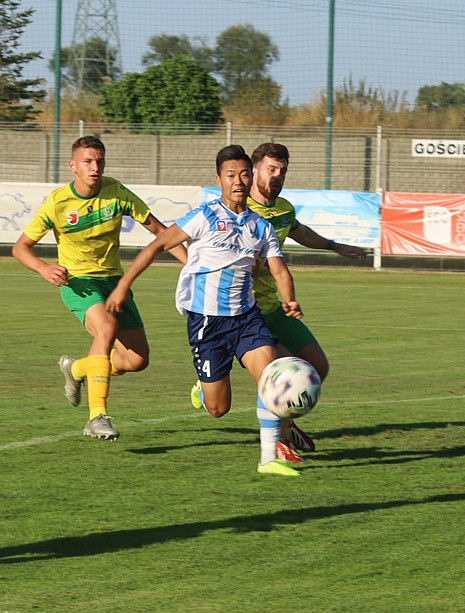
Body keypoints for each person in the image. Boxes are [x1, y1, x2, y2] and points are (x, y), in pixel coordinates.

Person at [105, 144, 302, 476]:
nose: (238, 181)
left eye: (243, 174)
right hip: (207, 322)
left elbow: (279, 270)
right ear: (219, 180)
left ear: (251, 177)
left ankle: (269, 458)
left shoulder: (260, 226)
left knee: (270, 376)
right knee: (217, 408)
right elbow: (156, 246)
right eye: (230, 175)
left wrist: (289, 298)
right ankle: (204, 383)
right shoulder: (205, 216)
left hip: (246, 317)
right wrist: (123, 285)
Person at [191, 142, 367, 462]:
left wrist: (333, 245)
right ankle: (278, 440)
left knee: (318, 368)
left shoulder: (284, 208)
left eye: (282, 170)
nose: (277, 176)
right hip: (246, 311)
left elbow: (298, 231)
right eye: (271, 169)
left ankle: (283, 424)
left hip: (276, 308)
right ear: (253, 171)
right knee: (280, 377)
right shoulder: (239, 212)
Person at [12, 135, 187, 441]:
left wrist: (191, 265)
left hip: (114, 282)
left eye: (100, 161)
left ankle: (77, 369)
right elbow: (21, 247)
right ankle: (97, 416)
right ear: (73, 166)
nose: (95, 167)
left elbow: (160, 232)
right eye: (88, 162)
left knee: (136, 360)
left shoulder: (116, 192)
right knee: (106, 328)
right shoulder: (57, 202)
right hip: (78, 282)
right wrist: (43, 267)